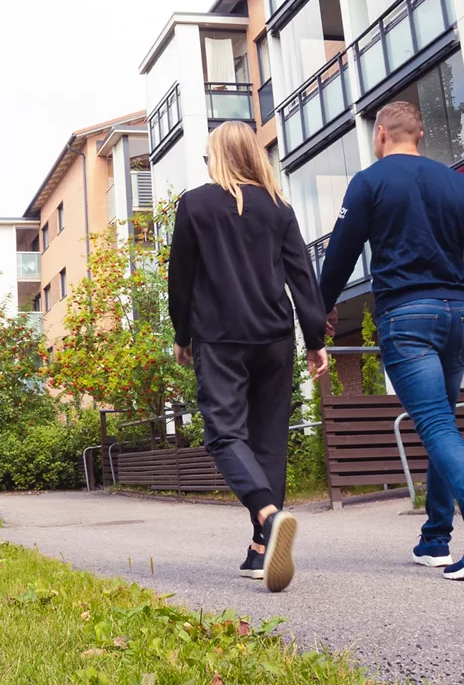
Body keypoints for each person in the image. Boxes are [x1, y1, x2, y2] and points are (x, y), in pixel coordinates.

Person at [317, 101, 464, 581]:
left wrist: (319, 311)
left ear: (381, 133)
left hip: (406, 317)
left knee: (435, 425)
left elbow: (340, 254)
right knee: (441, 424)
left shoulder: (369, 182)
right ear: (420, 135)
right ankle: (435, 538)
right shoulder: (459, 184)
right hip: (456, 317)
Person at [168, 121, 330, 593]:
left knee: (224, 434)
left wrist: (182, 334)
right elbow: (302, 276)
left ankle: (268, 514)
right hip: (274, 338)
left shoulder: (195, 204)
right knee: (268, 441)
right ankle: (262, 548)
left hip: (220, 337)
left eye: (207, 156)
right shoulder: (279, 207)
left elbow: (181, 277)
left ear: (218, 157)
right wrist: (314, 338)